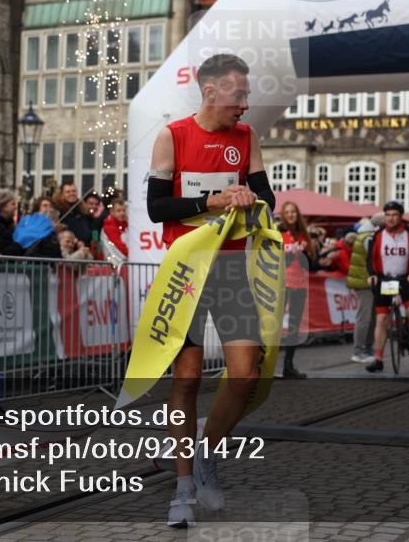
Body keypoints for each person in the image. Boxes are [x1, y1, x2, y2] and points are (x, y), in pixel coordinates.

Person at [145, 53, 275, 527]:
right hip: (187, 271)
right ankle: (181, 491)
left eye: (246, 95)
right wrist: (212, 199)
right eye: (239, 95)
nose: (245, 104)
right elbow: (158, 207)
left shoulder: (247, 137)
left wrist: (250, 197)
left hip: (232, 269)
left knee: (245, 375)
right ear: (210, 92)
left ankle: (205, 454)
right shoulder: (173, 135)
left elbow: (268, 200)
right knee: (188, 376)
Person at [365, 201, 409, 372]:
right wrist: (373, 275)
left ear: (401, 216)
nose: (391, 218)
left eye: (394, 215)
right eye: (388, 215)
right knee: (382, 319)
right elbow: (370, 259)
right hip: (385, 280)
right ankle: (378, 358)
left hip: (405, 279)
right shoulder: (376, 234)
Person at [278, 201, 311, 379]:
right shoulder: (278, 233)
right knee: (274, 325)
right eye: (287, 212)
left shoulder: (302, 235)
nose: (291, 215)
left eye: (293, 212)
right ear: (283, 215)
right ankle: (265, 368)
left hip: (299, 285)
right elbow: (275, 259)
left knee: (293, 327)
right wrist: (291, 252)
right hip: (281, 284)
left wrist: (305, 252)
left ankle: (288, 367)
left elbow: (311, 264)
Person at [348, 220, 378, 363]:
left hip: (366, 281)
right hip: (364, 281)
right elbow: (374, 258)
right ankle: (359, 350)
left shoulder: (364, 235)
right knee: (365, 317)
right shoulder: (368, 238)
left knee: (370, 317)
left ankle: (366, 348)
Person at [52, 182, 95, 246]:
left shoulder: (83, 210)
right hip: (68, 248)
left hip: (86, 247)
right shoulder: (57, 211)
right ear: (62, 194)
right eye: (68, 192)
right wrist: (74, 241)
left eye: (74, 191)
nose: (71, 194)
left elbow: (92, 228)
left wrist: (94, 240)